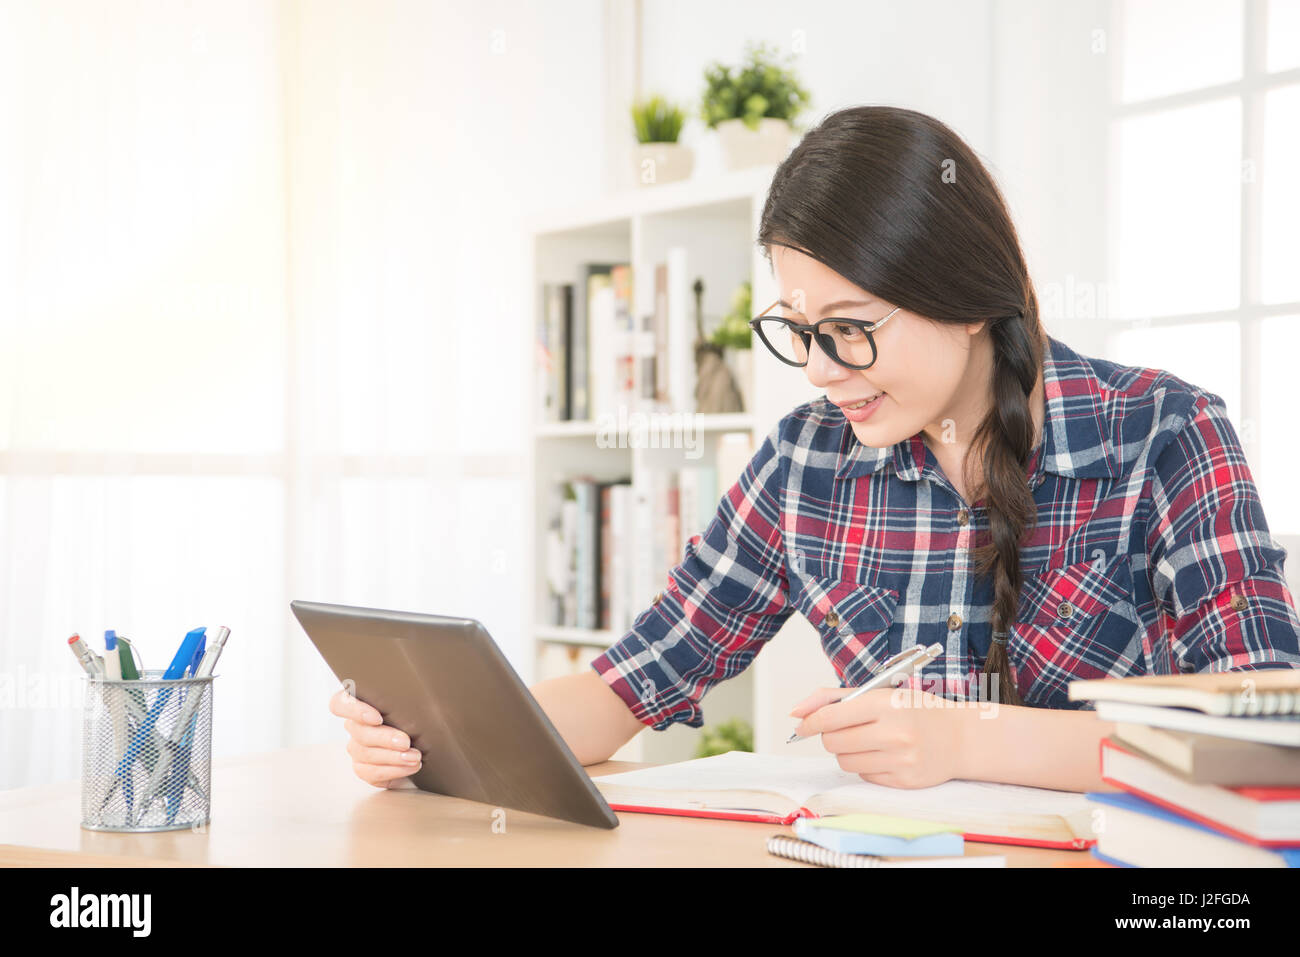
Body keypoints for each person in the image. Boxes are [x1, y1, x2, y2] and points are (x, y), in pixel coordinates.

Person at [331, 105, 1300, 795]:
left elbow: (1262, 743)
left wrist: (968, 738)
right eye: (797, 327)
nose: (820, 369)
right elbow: (636, 679)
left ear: (965, 299)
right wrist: (434, 738)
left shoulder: (1165, 433)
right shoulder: (808, 461)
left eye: (850, 326)